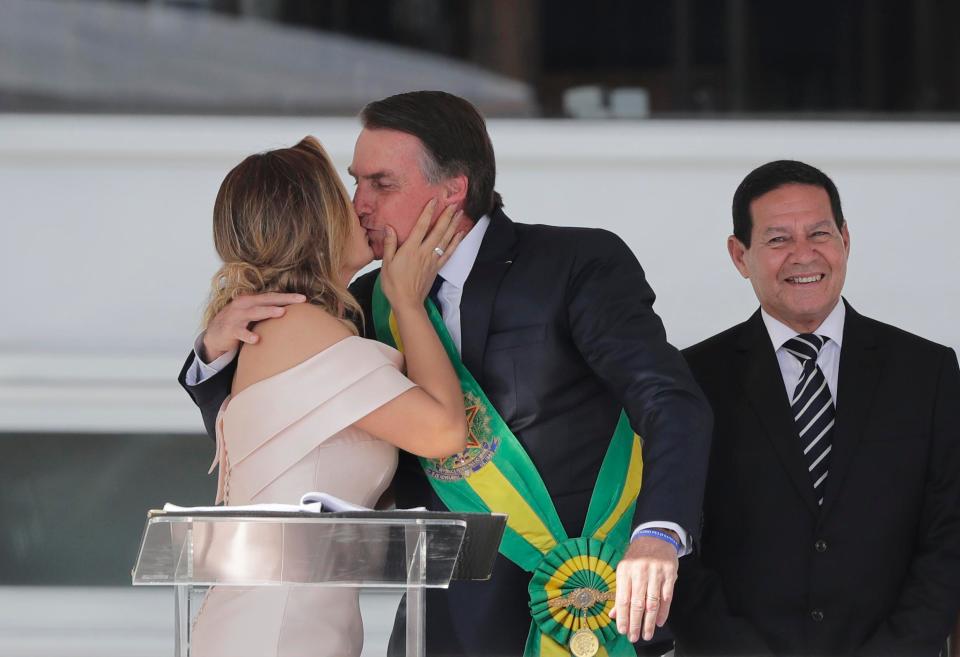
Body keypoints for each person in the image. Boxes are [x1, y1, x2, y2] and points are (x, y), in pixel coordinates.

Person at [181, 91, 713, 656]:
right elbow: (278, 434)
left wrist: (659, 533)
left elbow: (668, 402)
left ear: (453, 188)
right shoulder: (359, 305)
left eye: (381, 184)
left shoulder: (573, 264)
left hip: (590, 611)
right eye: (354, 183)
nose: (359, 204)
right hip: (444, 631)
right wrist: (213, 358)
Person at [184, 136, 469, 657]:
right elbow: (445, 431)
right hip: (275, 634)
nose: (361, 207)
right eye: (345, 195)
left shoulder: (304, 327)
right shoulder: (297, 327)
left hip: (294, 629)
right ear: (315, 220)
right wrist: (407, 302)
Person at [668, 160, 960, 656]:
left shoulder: (927, 371)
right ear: (740, 255)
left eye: (820, 233)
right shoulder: (689, 379)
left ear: (845, 239)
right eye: (778, 239)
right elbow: (676, 543)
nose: (804, 255)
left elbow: (949, 535)